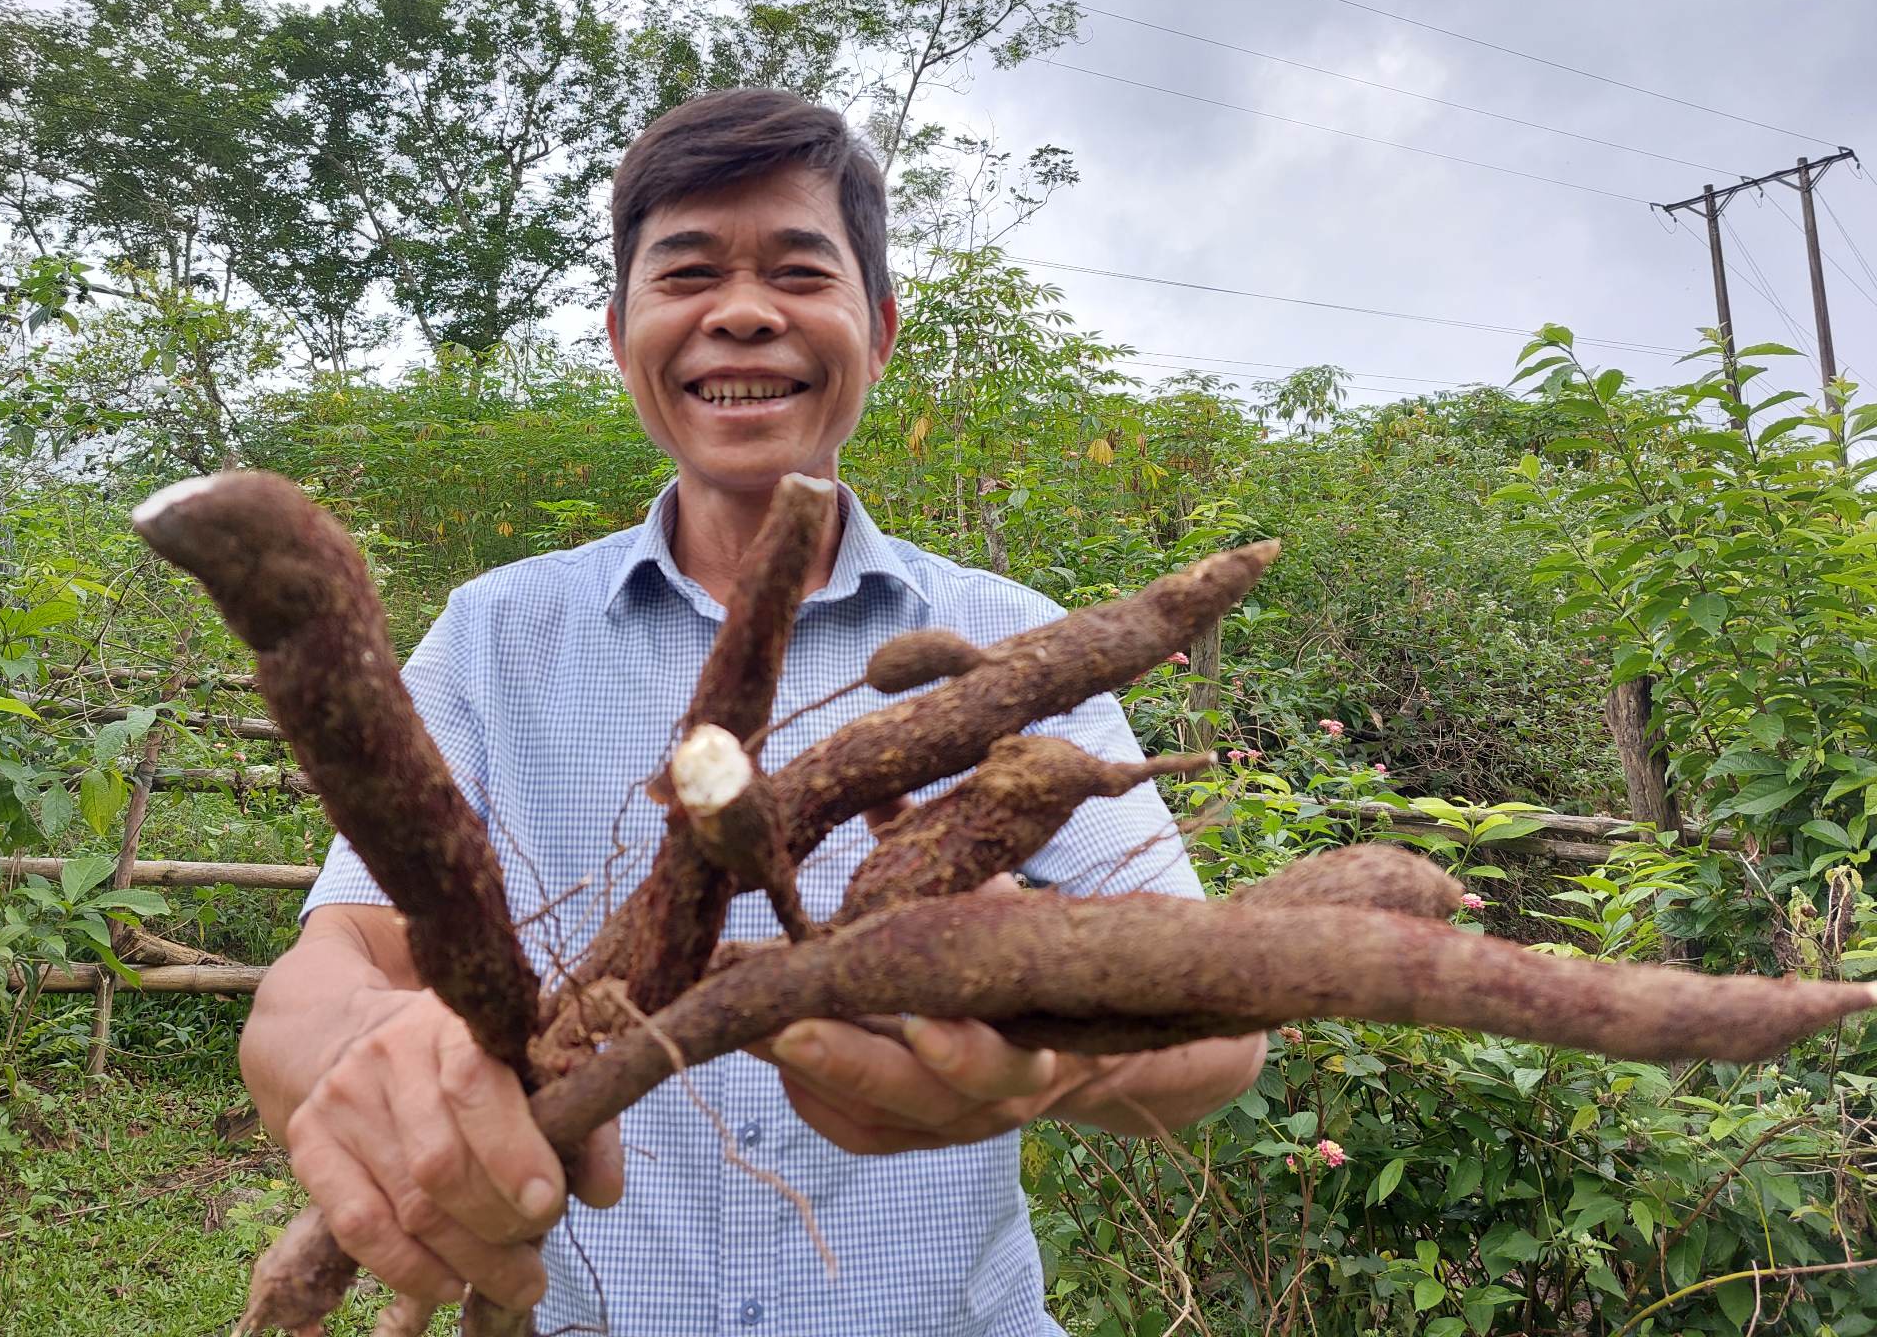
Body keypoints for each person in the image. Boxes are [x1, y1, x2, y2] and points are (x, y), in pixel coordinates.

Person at [239, 88, 1266, 1334]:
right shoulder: (498, 634)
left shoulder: (1010, 641)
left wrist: (1049, 1044)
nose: (738, 311)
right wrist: (362, 1059)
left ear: (877, 331)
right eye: (686, 274)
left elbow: (1218, 1029)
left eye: (796, 269)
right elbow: (324, 973)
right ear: (621, 336)